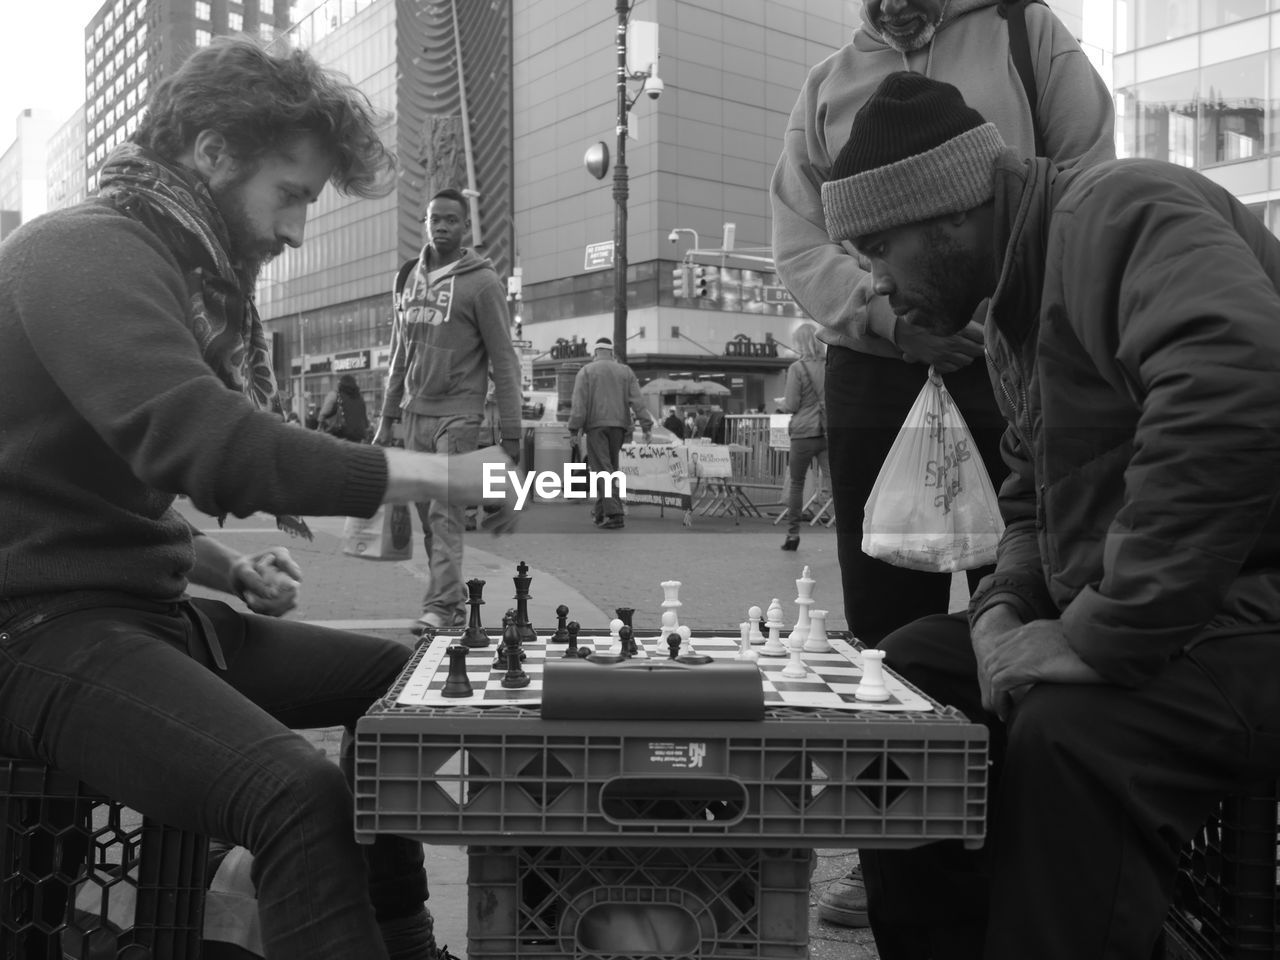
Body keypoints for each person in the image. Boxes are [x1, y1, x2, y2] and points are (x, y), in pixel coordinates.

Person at [0, 37, 517, 960]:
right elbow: (204, 442)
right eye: (291, 195)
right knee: (297, 794)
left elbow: (89, 494)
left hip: (139, 613)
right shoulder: (78, 252)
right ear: (211, 151)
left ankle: (402, 938)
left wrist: (227, 568)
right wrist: (437, 471)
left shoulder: (173, 273)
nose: (293, 232)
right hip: (39, 631)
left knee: (397, 688)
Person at [824, 70, 1280, 959]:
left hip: (1253, 611)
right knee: (908, 680)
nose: (875, 285)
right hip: (1177, 614)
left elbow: (1236, 382)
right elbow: (1032, 499)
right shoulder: (1011, 318)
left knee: (1072, 736)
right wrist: (1002, 612)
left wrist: (1100, 636)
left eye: (880, 247)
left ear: (952, 211)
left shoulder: (1120, 209)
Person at [769, 0, 1115, 926]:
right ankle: (901, 829)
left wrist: (1003, 289)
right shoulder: (828, 82)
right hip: (880, 365)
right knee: (891, 619)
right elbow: (803, 239)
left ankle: (1016, 817)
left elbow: (1076, 174)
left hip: (1010, 323)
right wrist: (889, 311)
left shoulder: (1024, 31)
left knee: (1025, 575)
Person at [374, 188, 522, 639]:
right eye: (434, 219)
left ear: (465, 228)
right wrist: (386, 418)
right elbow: (400, 352)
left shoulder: (482, 283)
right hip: (414, 412)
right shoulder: (407, 278)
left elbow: (503, 358)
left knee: (444, 513)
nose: (442, 227)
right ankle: (452, 601)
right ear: (425, 223)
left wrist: (512, 433)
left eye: (451, 220)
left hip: (459, 414)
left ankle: (441, 607)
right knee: (427, 517)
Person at [567, 337, 653, 529]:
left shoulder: (586, 372)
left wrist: (574, 429)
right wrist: (646, 426)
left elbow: (579, 405)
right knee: (609, 469)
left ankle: (615, 514)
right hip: (619, 428)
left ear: (595, 352)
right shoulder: (625, 372)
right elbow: (638, 402)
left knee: (602, 471)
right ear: (612, 353)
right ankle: (600, 512)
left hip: (596, 426)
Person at [779, 324, 829, 551]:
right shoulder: (830, 365)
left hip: (803, 433)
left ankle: (793, 535)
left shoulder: (797, 368)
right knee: (836, 484)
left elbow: (791, 404)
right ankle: (850, 533)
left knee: (797, 484)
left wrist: (781, 406)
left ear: (800, 343)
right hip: (828, 431)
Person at [318, 373, 371, 442]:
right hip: (358, 435)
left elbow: (323, 413)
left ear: (340, 384)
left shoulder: (335, 395)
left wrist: (320, 422)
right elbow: (364, 418)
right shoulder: (360, 398)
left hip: (340, 434)